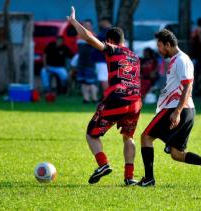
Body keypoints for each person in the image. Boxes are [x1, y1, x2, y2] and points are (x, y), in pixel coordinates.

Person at [137, 29, 201, 188]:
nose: (159, 50)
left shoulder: (181, 60)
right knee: (177, 154)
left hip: (176, 109)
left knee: (146, 137)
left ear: (168, 44)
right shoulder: (176, 59)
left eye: (160, 46)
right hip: (184, 110)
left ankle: (149, 179)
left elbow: (187, 86)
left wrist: (177, 111)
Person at [67, 6, 142, 186]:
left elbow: (87, 38)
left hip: (118, 98)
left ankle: (103, 164)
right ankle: (129, 177)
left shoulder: (112, 49)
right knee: (128, 137)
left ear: (110, 40)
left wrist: (73, 22)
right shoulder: (134, 56)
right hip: (136, 101)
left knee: (91, 134)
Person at [76, 19, 99, 103]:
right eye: (85, 25)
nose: (86, 26)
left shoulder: (94, 36)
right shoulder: (79, 36)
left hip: (90, 63)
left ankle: (94, 99)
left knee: (91, 82)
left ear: (91, 26)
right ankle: (86, 99)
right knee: (83, 82)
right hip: (81, 63)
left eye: (88, 25)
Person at [95, 18, 113, 95]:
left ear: (105, 21)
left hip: (102, 59)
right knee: (107, 79)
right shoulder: (114, 31)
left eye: (101, 21)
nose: (100, 23)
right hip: (108, 59)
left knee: (103, 79)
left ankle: (107, 97)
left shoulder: (106, 32)